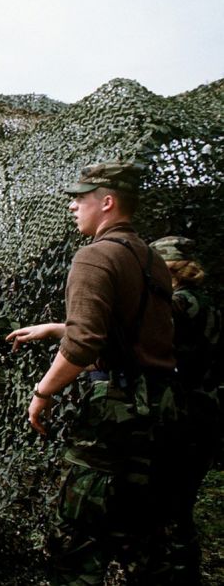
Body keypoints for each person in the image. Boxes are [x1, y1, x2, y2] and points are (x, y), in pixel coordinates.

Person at [6, 161, 190, 584]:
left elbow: (85, 343)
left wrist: (43, 392)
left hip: (116, 413)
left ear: (106, 203)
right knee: (145, 530)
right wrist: (56, 327)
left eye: (80, 198)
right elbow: (135, 330)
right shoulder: (150, 258)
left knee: (79, 537)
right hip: (163, 408)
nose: (72, 206)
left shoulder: (94, 256)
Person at [149, 235, 222, 578]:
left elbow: (146, 335)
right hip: (202, 411)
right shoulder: (204, 302)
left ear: (169, 269)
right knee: (179, 507)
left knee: (170, 507)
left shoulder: (181, 303)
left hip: (186, 414)